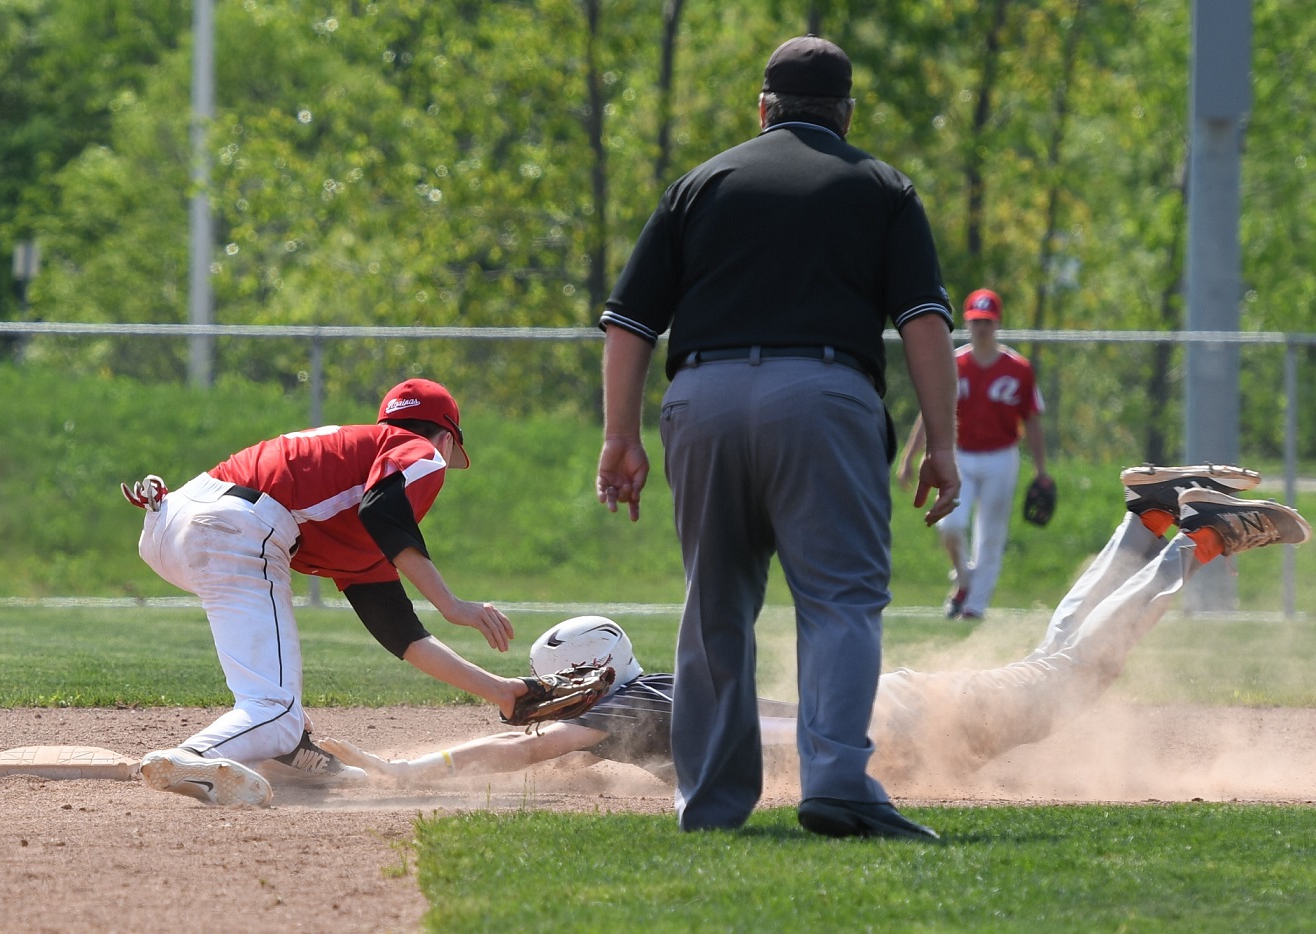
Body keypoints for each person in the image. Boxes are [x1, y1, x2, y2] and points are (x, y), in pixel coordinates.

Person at [322, 465, 1310, 799]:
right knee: (1051, 664)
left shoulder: (623, 714)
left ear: (588, 683)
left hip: (908, 723)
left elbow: (529, 751)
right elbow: (566, 756)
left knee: (1069, 673)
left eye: (563, 691)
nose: (562, 710)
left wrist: (405, 772)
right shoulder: (654, 693)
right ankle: (1140, 522)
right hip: (891, 703)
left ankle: (1194, 541)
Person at [594, 35, 962, 840]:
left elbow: (628, 325)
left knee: (716, 603)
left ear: (763, 109)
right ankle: (837, 784)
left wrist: (619, 436)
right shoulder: (881, 186)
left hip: (702, 398)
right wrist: (943, 442)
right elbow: (926, 324)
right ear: (846, 113)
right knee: (838, 601)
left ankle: (713, 803)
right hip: (823, 398)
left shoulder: (700, 184)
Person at [122, 378, 536, 808]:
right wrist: (452, 605)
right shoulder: (418, 449)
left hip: (174, 523)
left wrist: (501, 691)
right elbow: (383, 509)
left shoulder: (349, 475)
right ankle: (192, 758)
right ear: (447, 439)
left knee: (278, 709)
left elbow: (399, 630)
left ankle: (286, 754)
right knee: (274, 708)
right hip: (233, 526)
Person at [896, 287, 1052, 621]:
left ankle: (975, 607)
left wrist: (1041, 469)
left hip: (1001, 456)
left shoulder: (1018, 369)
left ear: (997, 324)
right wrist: (910, 456)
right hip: (960, 456)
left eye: (987, 321)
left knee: (990, 537)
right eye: (976, 320)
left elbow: (1033, 421)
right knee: (949, 526)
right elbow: (929, 412)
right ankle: (964, 580)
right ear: (967, 323)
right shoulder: (953, 364)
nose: (982, 327)